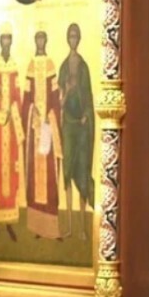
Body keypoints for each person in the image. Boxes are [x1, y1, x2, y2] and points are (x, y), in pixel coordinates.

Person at [0, 22, 25, 242]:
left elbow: (18, 97)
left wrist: (14, 115)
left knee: (12, 172)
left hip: (11, 129)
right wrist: (1, 113)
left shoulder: (15, 66)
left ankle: (9, 222)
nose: (7, 42)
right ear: (0, 42)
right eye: (4, 39)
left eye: (9, 39)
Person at [21, 25, 63, 239]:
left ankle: (50, 227)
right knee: (34, 177)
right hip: (34, 128)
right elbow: (26, 98)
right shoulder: (30, 65)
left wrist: (50, 115)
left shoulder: (50, 65)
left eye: (42, 38)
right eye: (37, 38)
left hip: (47, 127)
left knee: (49, 177)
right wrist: (32, 111)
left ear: (45, 41)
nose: (40, 41)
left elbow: (55, 97)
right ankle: (37, 226)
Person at [58, 23, 95, 240]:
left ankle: (82, 227)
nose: (73, 39)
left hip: (81, 128)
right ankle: (70, 225)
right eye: (70, 36)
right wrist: (67, 92)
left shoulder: (84, 67)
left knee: (81, 171)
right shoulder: (64, 67)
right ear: (67, 39)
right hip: (68, 126)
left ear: (79, 39)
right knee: (67, 171)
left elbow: (88, 97)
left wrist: (86, 116)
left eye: (75, 36)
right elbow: (60, 101)